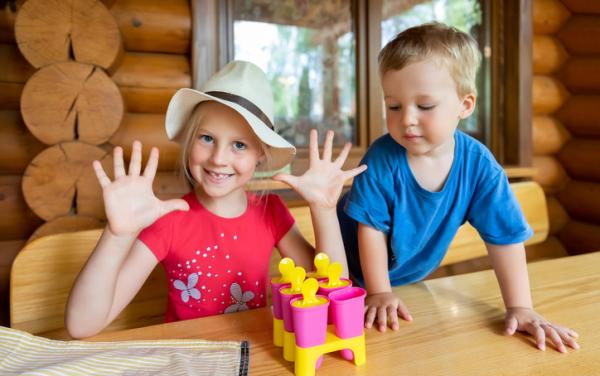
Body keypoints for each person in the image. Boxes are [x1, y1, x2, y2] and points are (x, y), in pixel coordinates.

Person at [65, 60, 366, 339]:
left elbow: (332, 298)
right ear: (189, 139)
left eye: (238, 145)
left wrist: (324, 211)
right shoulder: (169, 222)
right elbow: (82, 325)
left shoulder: (270, 211)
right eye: (207, 138)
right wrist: (117, 236)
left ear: (260, 155)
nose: (219, 158)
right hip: (189, 364)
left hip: (255, 359)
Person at [337, 22, 579, 352]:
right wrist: (379, 291)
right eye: (394, 106)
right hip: (344, 272)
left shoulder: (479, 165)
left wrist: (520, 307)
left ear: (465, 105)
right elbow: (370, 230)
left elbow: (504, 237)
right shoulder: (382, 158)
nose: (406, 118)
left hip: (405, 281)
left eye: (424, 106)